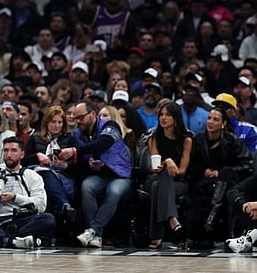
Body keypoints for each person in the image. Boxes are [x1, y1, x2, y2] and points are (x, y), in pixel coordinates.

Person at [59, 100, 132, 248]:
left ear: (92, 114)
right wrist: (85, 164)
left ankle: (93, 231)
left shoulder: (110, 126)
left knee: (114, 191)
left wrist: (75, 151)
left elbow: (104, 142)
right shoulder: (78, 135)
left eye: (81, 117)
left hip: (120, 174)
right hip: (99, 175)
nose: (78, 121)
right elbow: (79, 162)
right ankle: (95, 236)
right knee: (87, 186)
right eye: (75, 118)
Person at [0, 136, 56, 248]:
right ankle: (13, 241)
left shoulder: (32, 176)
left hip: (20, 219)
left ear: (22, 154)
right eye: (6, 150)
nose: (9, 154)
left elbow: (41, 205)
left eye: (13, 150)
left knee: (48, 219)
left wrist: (15, 198)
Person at [187, 107, 251, 248]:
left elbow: (247, 164)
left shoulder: (231, 140)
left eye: (215, 119)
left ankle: (212, 215)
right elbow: (190, 164)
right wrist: (204, 171)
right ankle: (210, 219)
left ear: (223, 124)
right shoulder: (197, 139)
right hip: (203, 181)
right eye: (209, 118)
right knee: (208, 190)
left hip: (226, 181)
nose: (210, 121)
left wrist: (220, 173)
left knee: (227, 172)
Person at [144, 102, 192, 249]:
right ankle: (173, 220)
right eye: (161, 115)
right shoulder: (153, 138)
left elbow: (182, 171)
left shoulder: (186, 140)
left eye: (168, 115)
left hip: (178, 182)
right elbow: (155, 167)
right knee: (161, 178)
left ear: (176, 119)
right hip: (155, 176)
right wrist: (167, 162)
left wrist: (171, 167)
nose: (163, 118)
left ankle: (156, 235)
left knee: (158, 187)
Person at [24, 105, 78, 222]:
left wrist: (65, 165)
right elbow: (23, 160)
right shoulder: (35, 138)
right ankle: (64, 205)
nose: (57, 125)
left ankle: (46, 233)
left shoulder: (69, 139)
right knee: (45, 174)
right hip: (36, 175)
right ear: (46, 122)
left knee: (47, 184)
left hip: (61, 177)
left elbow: (77, 165)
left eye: (60, 122)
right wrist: (37, 156)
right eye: (53, 122)